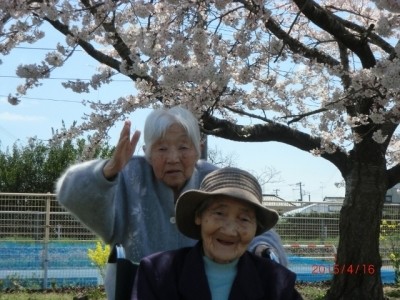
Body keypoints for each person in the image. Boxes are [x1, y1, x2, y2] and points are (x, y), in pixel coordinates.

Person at [56, 106, 289, 299]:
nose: (173, 158)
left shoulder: (214, 179)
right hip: (139, 289)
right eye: (162, 148)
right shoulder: (129, 174)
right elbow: (70, 191)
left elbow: (247, 221)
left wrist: (262, 249)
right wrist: (109, 170)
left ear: (199, 150)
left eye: (184, 147)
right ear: (147, 152)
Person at [131, 167, 302, 300]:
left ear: (255, 228)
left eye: (244, 219)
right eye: (219, 214)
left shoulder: (276, 281)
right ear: (199, 216)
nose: (229, 230)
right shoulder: (157, 273)